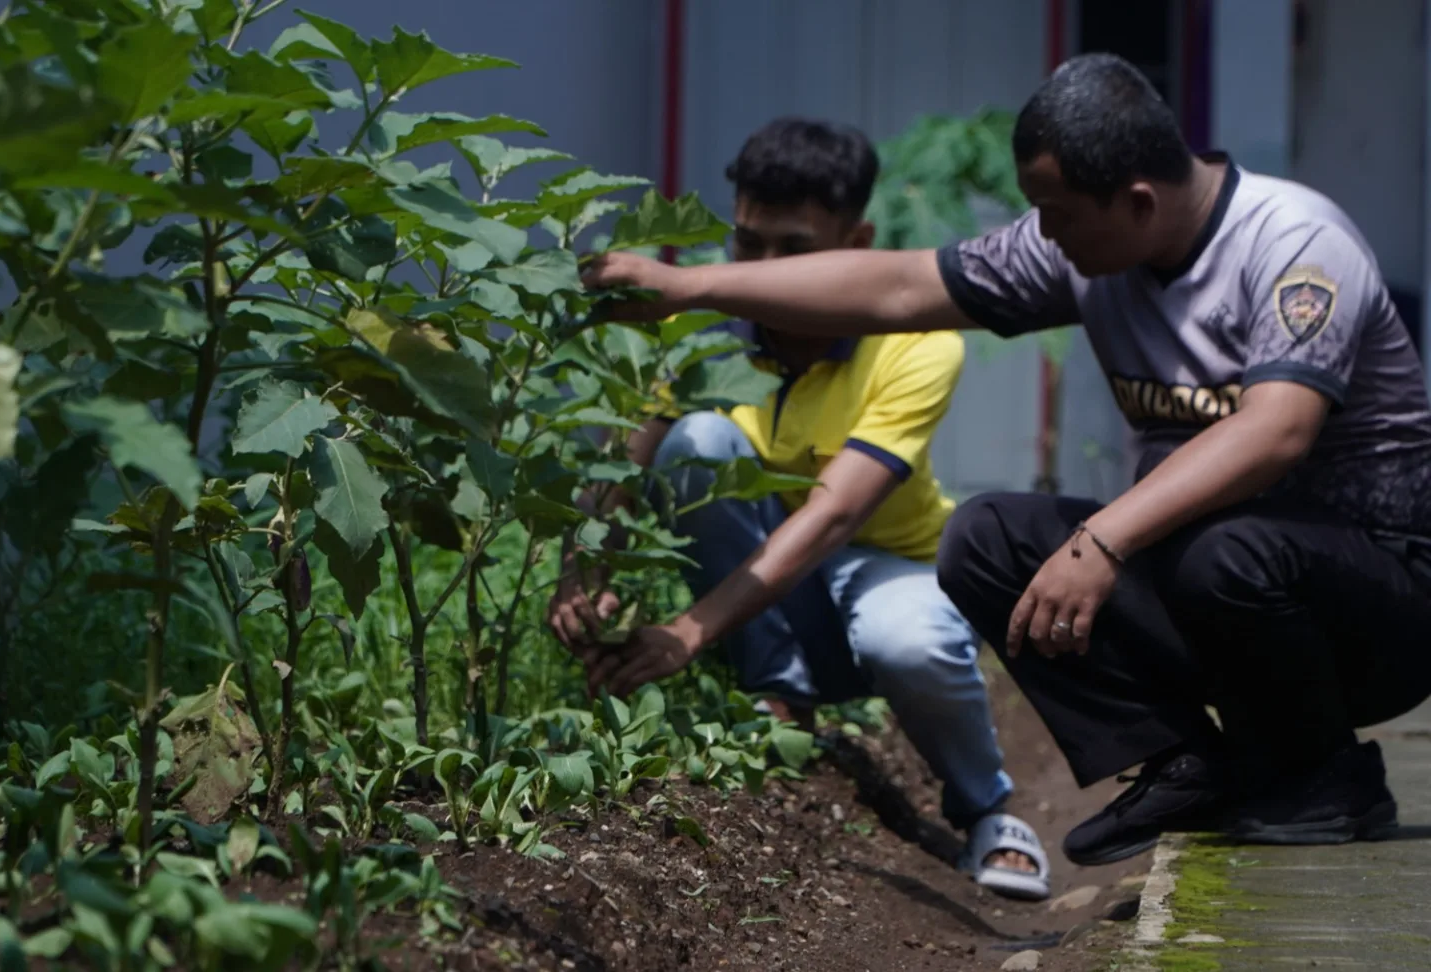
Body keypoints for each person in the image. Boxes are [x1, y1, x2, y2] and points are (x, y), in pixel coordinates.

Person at [577, 53, 1431, 867]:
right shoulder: (1085, 247)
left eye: (1057, 215)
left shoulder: (1293, 244)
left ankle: (1328, 778)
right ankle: (1185, 764)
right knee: (988, 537)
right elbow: (902, 288)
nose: (1043, 237)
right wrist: (691, 287)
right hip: (1223, 584)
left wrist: (1100, 542)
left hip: (1379, 607)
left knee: (1221, 549)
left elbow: (1275, 430)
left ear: (1136, 202)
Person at [548, 117, 1053, 900]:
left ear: (860, 239)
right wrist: (582, 570)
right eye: (747, 244)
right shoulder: (698, 323)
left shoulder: (918, 341)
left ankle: (987, 807)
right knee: (698, 441)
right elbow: (624, 458)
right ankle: (777, 695)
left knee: (909, 640)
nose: (761, 270)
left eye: (794, 249)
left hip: (887, 563)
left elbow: (833, 518)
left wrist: (684, 633)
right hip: (765, 592)